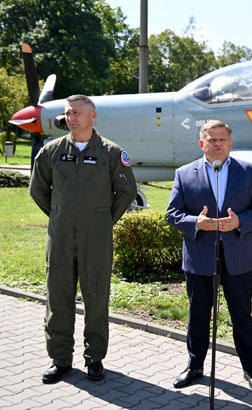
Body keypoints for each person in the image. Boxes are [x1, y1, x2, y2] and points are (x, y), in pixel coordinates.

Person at [29, 94, 137, 384]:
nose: (71, 117)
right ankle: (60, 359)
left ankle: (95, 359)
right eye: (67, 113)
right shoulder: (51, 152)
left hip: (96, 239)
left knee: (96, 298)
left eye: (77, 112)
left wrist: (102, 219)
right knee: (58, 299)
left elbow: (126, 192)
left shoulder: (112, 153)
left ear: (93, 116)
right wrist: (59, 214)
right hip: (61, 237)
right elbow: (38, 190)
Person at [166, 119, 252, 392]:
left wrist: (240, 222)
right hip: (200, 257)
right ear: (202, 144)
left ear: (230, 143)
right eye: (211, 139)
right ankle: (195, 366)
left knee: (242, 317)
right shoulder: (184, 174)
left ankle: (251, 370)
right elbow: (172, 214)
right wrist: (195, 223)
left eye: (222, 139)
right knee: (198, 315)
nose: (217, 144)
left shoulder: (248, 171)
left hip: (238, 258)